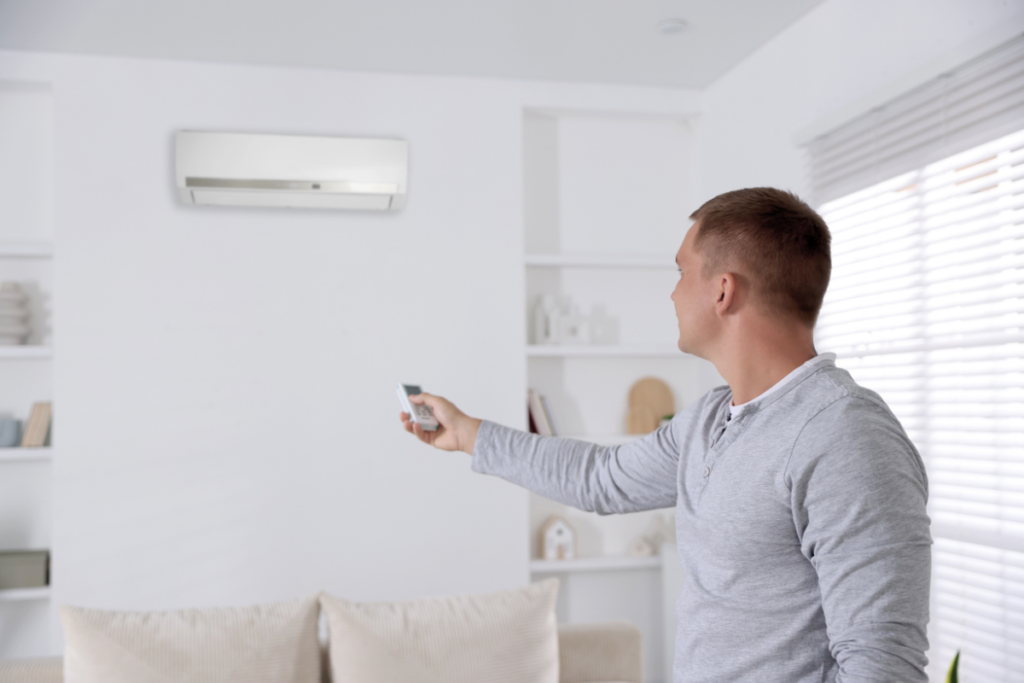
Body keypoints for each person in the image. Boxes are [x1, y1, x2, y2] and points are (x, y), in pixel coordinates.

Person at [400, 187, 931, 683]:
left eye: (681, 272)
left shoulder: (846, 437)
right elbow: (600, 480)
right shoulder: (709, 418)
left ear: (723, 290)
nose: (672, 293)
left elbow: (881, 666)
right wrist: (469, 433)